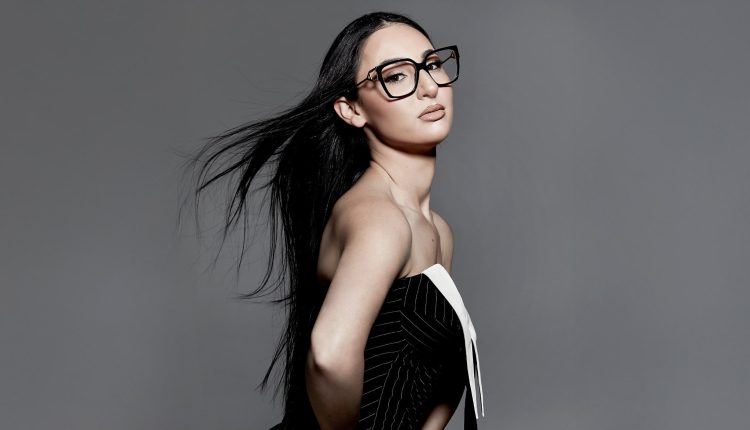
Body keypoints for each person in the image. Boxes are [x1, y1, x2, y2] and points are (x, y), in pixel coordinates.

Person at [184, 11, 484, 429]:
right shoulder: (380, 220)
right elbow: (328, 355)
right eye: (397, 76)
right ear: (351, 109)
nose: (430, 86)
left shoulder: (437, 231)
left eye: (432, 64)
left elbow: (440, 375)